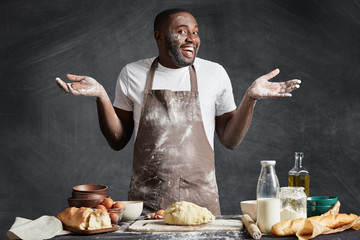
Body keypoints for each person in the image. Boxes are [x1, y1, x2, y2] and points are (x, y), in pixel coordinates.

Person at [56, 8, 301, 215]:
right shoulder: (132, 73)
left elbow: (230, 140)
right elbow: (118, 140)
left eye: (195, 32)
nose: (192, 39)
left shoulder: (214, 73)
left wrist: (250, 99)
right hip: (149, 204)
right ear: (159, 37)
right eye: (181, 31)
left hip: (201, 203)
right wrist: (101, 96)